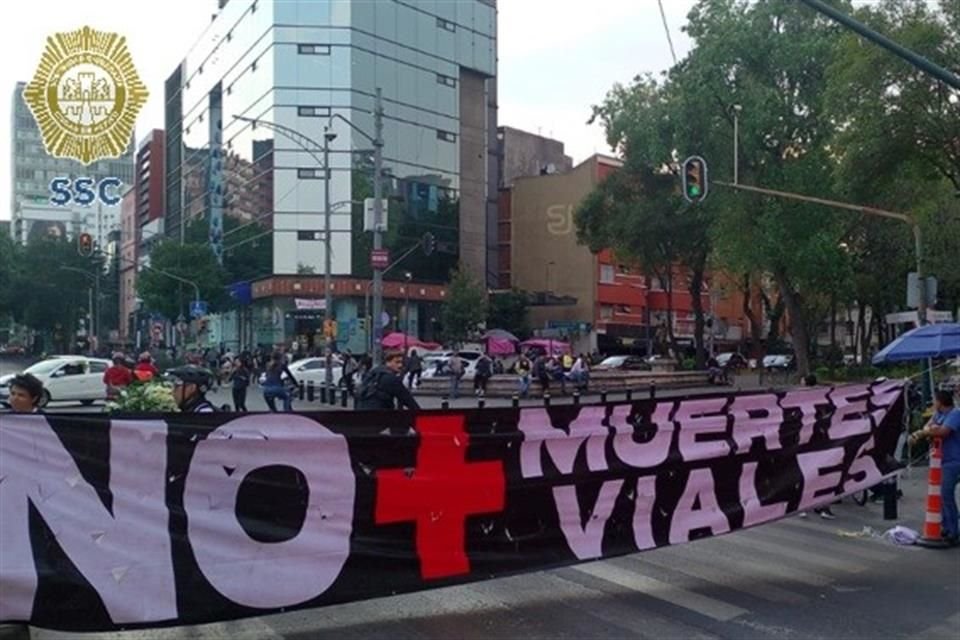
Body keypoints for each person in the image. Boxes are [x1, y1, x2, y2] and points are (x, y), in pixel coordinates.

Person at [911, 390, 960, 546]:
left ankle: (953, 531)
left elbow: (943, 432)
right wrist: (929, 430)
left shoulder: (954, 414)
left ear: (940, 402)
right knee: (938, 497)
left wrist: (927, 431)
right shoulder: (938, 415)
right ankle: (946, 526)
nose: (933, 404)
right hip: (938, 461)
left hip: (952, 460)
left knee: (946, 495)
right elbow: (928, 426)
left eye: (934, 401)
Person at [355, 349, 420, 412]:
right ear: (387, 362)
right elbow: (409, 401)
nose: (400, 365)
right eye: (397, 362)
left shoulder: (373, 373)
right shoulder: (390, 379)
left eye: (402, 362)